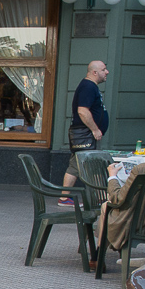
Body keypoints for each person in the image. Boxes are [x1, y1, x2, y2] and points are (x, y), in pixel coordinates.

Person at [61, 59, 109, 206]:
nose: (107, 72)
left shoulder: (90, 86)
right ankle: (65, 198)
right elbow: (82, 111)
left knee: (87, 164)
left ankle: (99, 197)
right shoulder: (88, 87)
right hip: (86, 134)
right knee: (78, 165)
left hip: (86, 134)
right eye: (103, 70)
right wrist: (94, 129)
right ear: (94, 72)